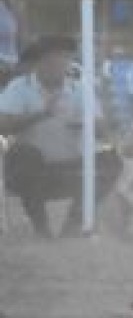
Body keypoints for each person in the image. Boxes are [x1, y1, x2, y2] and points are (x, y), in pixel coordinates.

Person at [0, 35, 116, 237]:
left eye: (65, 60)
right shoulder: (19, 87)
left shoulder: (80, 89)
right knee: (23, 154)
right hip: (30, 171)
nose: (59, 66)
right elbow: (3, 126)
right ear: (39, 63)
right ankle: (41, 228)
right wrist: (42, 114)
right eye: (53, 61)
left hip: (70, 168)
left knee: (111, 160)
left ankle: (72, 225)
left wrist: (87, 123)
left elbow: (104, 132)